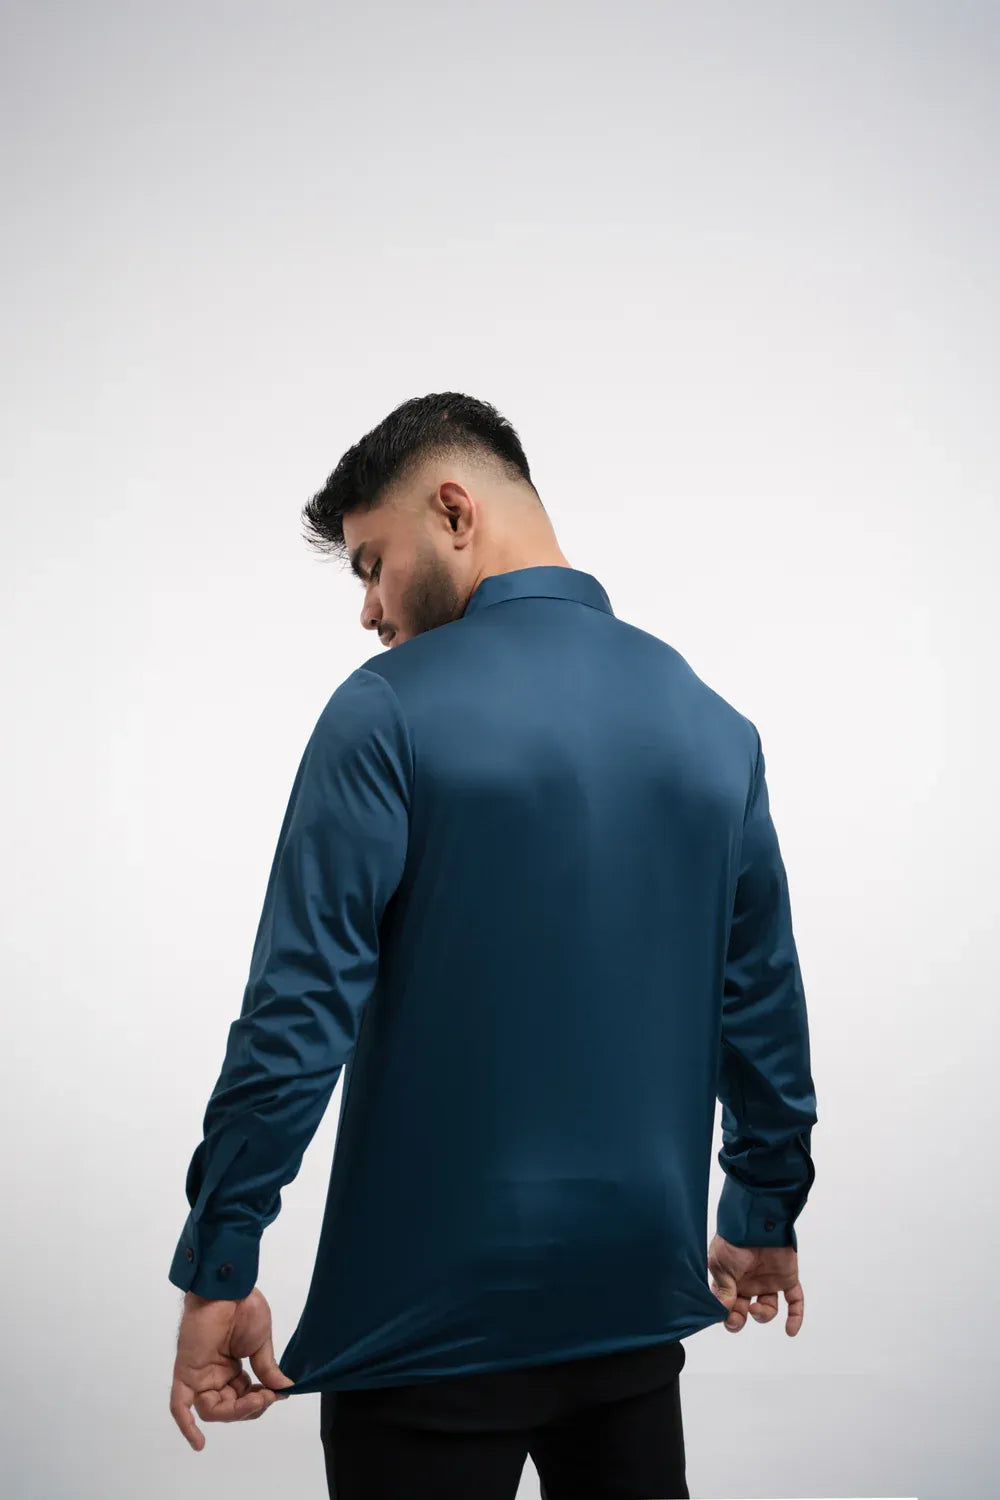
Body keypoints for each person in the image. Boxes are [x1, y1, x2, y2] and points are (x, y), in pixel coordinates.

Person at [168, 392, 818, 1499]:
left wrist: (222, 1259)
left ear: (454, 511)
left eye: (373, 564)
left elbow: (297, 1015)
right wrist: (763, 1210)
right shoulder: (715, 726)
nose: (368, 610)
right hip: (629, 1320)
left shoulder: (384, 713)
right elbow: (758, 1002)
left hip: (422, 1337)